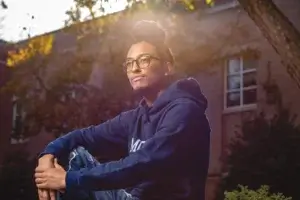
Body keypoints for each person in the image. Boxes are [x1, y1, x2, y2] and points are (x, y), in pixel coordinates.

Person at [34, 20, 211, 200]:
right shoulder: (136, 117)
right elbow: (85, 136)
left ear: (167, 67)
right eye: (129, 63)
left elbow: (143, 164)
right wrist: (48, 155)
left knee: (67, 179)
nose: (134, 68)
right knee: (76, 154)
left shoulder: (184, 112)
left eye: (144, 60)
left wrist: (68, 180)